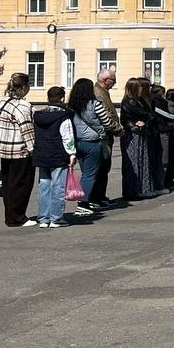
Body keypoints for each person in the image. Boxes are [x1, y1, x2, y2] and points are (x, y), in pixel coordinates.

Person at [0, 73, 37, 227]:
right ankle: (18, 217)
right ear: (24, 87)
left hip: (3, 147)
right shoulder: (23, 106)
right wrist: (34, 150)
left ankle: (10, 216)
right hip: (20, 150)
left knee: (8, 184)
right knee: (22, 184)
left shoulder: (3, 102)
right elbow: (27, 130)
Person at [32, 86, 77, 228]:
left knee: (44, 186)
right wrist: (72, 154)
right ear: (62, 98)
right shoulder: (64, 116)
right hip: (57, 155)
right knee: (57, 186)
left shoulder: (38, 116)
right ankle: (56, 218)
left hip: (42, 154)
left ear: (48, 98)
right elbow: (67, 137)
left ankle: (43, 218)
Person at [68, 78, 113, 216]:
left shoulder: (71, 105)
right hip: (92, 142)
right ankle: (83, 202)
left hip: (77, 142)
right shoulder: (94, 104)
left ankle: (87, 200)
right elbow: (106, 121)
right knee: (90, 174)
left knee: (85, 173)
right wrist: (103, 132)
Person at [88, 68, 124, 208]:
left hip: (105, 135)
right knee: (101, 168)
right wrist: (117, 129)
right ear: (104, 80)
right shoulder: (98, 93)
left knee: (104, 168)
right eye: (113, 80)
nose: (114, 83)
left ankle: (99, 196)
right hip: (102, 136)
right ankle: (96, 197)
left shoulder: (103, 92)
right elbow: (105, 116)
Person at [120, 78, 156, 200]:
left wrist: (144, 120)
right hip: (133, 134)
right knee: (135, 163)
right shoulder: (130, 101)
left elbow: (149, 114)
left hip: (139, 132)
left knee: (141, 161)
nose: (142, 89)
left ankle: (141, 189)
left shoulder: (137, 100)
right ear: (134, 88)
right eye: (139, 87)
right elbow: (147, 114)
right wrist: (140, 121)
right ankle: (134, 191)